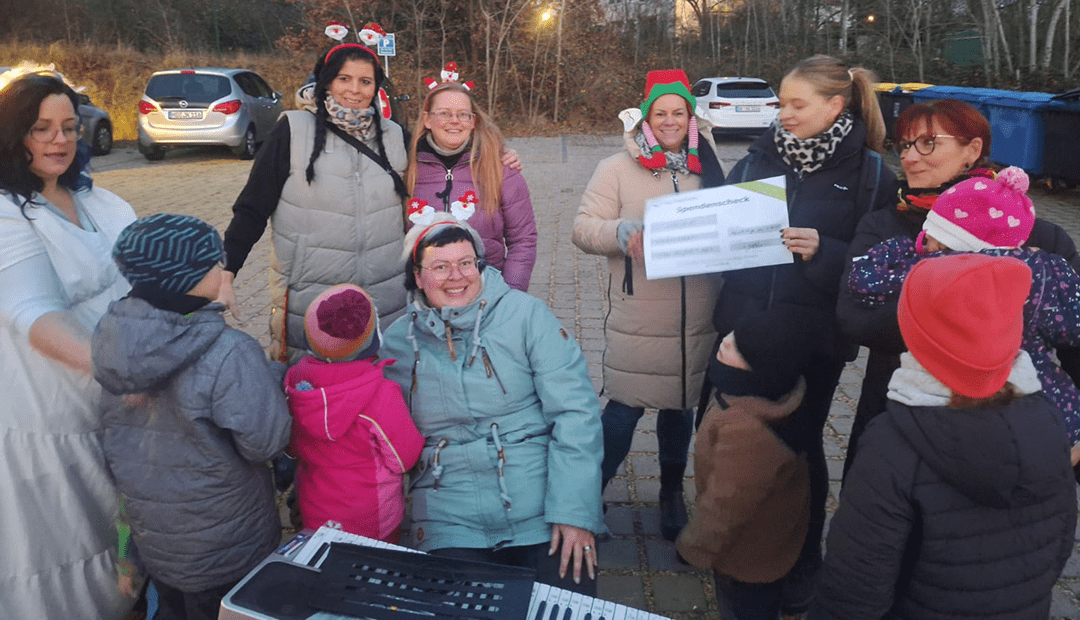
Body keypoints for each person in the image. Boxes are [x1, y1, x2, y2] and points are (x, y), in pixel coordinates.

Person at [706, 54, 898, 616]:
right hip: (745, 331)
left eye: (796, 104)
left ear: (835, 105)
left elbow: (877, 266)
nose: (782, 113)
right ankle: (734, 557)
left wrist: (825, 251)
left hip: (815, 342)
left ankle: (801, 562)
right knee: (736, 444)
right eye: (781, 102)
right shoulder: (757, 158)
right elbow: (726, 236)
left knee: (800, 449)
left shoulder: (871, 175)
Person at [811, 254, 1077, 619]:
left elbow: (853, 589)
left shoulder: (892, 444)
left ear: (915, 336)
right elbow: (1061, 541)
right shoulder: (1051, 420)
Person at [836, 98, 1080, 475]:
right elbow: (854, 318)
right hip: (900, 414)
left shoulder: (1040, 238)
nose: (910, 157)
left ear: (973, 150)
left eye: (928, 143)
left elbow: (1074, 340)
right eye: (904, 145)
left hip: (1015, 429)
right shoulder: (883, 226)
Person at [380, 215, 605, 595]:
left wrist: (574, 512)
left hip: (538, 502)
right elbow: (381, 436)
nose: (457, 276)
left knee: (569, 601)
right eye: (440, 266)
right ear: (417, 276)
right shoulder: (399, 343)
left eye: (466, 263)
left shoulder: (526, 316)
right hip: (448, 512)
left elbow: (576, 413)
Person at [92, 214, 292, 620]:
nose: (224, 271)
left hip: (160, 546)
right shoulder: (229, 352)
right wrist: (272, 379)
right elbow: (266, 441)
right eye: (215, 264)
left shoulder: (113, 344)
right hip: (230, 549)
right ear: (189, 277)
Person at [0, 71, 136, 619]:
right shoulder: (7, 211)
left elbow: (148, 274)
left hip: (112, 408)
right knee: (64, 552)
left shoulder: (97, 199)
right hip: (48, 414)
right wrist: (132, 374)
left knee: (120, 545)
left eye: (68, 127)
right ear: (14, 135)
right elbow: (35, 314)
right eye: (41, 129)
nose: (59, 140)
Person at [571, 69, 726, 541]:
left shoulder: (711, 163)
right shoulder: (616, 168)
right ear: (647, 118)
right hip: (641, 313)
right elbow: (582, 227)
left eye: (678, 111)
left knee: (680, 408)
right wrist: (617, 232)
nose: (671, 120)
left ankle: (671, 494)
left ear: (690, 115)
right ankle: (583, 498)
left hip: (701, 313)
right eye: (661, 113)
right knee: (623, 409)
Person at [221, 42, 410, 363]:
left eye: (365, 82)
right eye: (343, 79)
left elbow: (441, 168)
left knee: (380, 399)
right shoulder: (293, 131)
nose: (355, 90)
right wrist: (226, 272)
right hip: (311, 302)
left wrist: (494, 153)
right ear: (326, 81)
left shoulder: (395, 136)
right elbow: (252, 207)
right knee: (310, 402)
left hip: (384, 301)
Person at [677, 307, 815, 619]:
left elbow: (725, 505)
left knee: (743, 610)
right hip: (773, 542)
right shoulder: (774, 394)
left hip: (747, 558)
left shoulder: (748, 432)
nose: (725, 341)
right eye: (731, 336)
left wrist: (694, 546)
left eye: (736, 346)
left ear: (761, 368)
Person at [285, 283, 423, 542]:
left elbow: (292, 446)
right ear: (373, 340)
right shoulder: (381, 394)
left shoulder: (296, 381)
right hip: (373, 516)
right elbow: (404, 457)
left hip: (316, 509)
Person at [406, 80, 537, 292]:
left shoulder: (502, 169)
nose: (455, 121)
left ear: (473, 121)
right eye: (444, 113)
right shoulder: (406, 169)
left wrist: (509, 296)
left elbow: (523, 241)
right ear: (427, 119)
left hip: (487, 297)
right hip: (424, 300)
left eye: (463, 114)